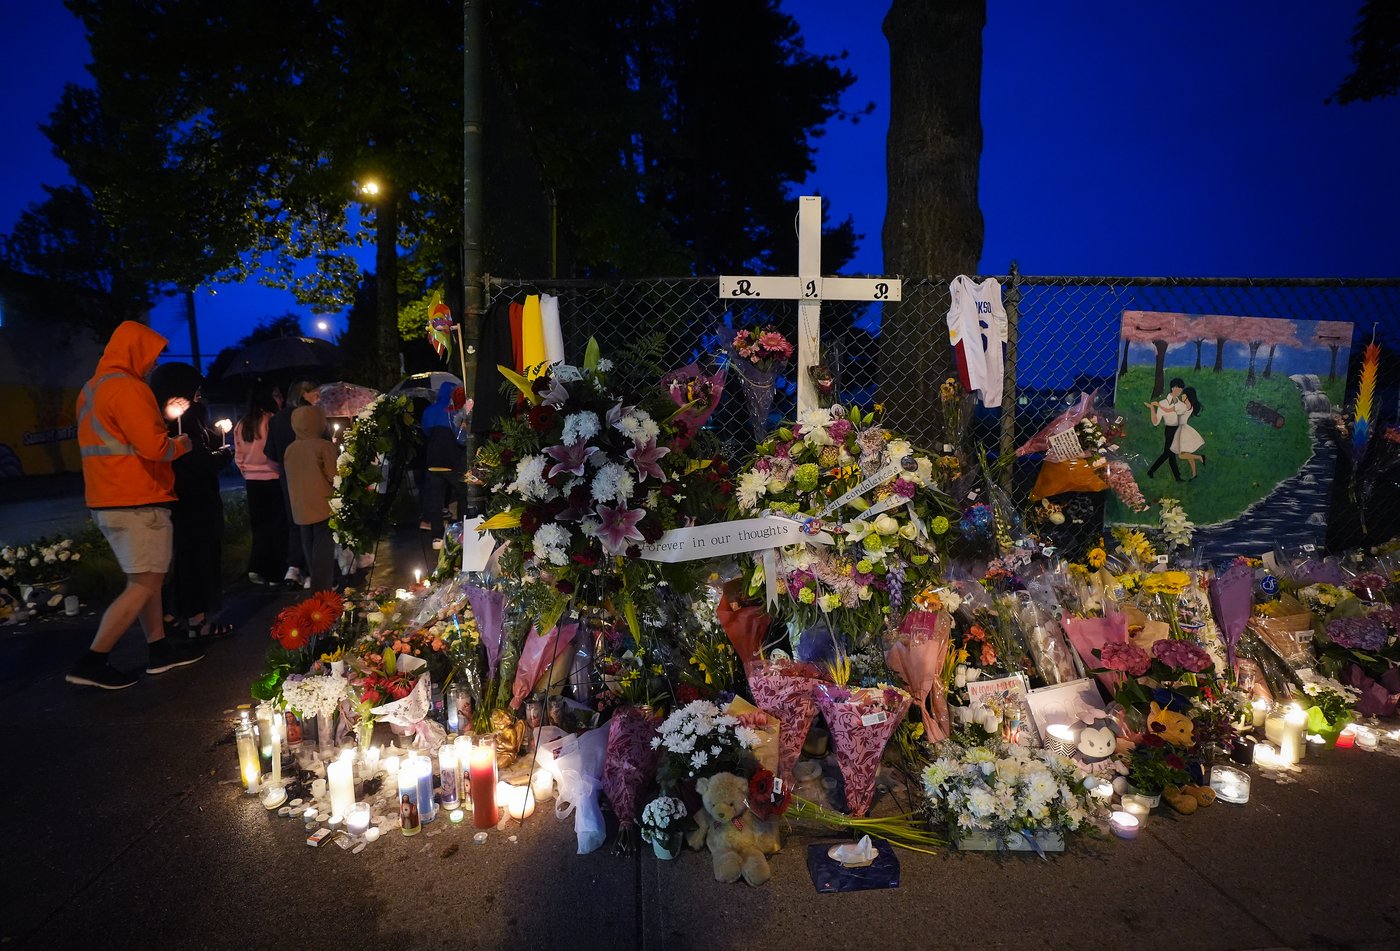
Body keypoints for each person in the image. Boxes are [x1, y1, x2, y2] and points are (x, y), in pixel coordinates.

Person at [66, 321, 204, 690]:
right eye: (151, 355)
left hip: (108, 498)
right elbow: (155, 447)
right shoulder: (129, 387)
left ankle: (159, 649)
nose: (153, 363)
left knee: (145, 580)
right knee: (145, 583)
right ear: (135, 351)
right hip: (137, 498)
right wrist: (182, 444)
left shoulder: (91, 389)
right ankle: (92, 660)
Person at [150, 363, 234, 639]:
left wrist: (217, 441)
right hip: (192, 503)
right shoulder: (180, 421)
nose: (199, 392)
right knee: (196, 561)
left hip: (185, 502)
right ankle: (198, 622)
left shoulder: (175, 418)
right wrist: (224, 454)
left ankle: (176, 616)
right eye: (193, 387)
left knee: (188, 561)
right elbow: (199, 461)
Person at [264, 380, 319, 588]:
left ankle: (294, 568)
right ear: (304, 393)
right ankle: (312, 573)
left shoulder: (277, 419)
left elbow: (270, 458)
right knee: (315, 525)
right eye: (315, 393)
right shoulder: (311, 417)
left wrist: (286, 472)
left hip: (288, 478)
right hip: (312, 477)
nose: (318, 397)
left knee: (295, 523)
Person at [234, 383, 287, 585]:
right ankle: (275, 573)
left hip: (252, 482)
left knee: (259, 527)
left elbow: (238, 456)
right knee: (277, 526)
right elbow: (277, 451)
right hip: (273, 479)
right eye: (276, 395)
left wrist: (247, 471)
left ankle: (257, 568)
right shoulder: (272, 421)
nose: (280, 399)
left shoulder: (242, 424)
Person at [283, 402, 337, 593]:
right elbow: (334, 475)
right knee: (323, 549)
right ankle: (323, 591)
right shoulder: (324, 446)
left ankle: (315, 588)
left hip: (300, 507)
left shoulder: (290, 449)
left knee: (309, 547)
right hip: (323, 505)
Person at [419, 382, 468, 544]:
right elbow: (463, 438)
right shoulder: (456, 410)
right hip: (453, 462)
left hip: (433, 462)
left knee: (436, 500)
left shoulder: (429, 411)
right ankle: (462, 532)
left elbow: (426, 432)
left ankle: (437, 537)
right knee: (463, 494)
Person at [1145, 377, 1187, 482]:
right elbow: (1156, 422)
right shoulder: (1163, 402)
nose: (1179, 390)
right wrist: (1152, 409)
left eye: (1181, 388)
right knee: (1168, 453)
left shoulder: (1181, 405)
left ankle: (1176, 477)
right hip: (1169, 430)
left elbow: (1178, 411)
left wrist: (1158, 406)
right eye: (1177, 388)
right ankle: (1152, 471)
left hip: (1177, 430)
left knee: (1171, 454)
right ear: (1172, 388)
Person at [1170, 387, 1207, 479]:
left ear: (1187, 396)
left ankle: (1199, 457)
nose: (1182, 396)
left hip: (1182, 430)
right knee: (1187, 454)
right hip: (1183, 428)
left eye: (1184, 395)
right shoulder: (1188, 405)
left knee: (1181, 455)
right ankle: (1194, 474)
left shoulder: (1185, 405)